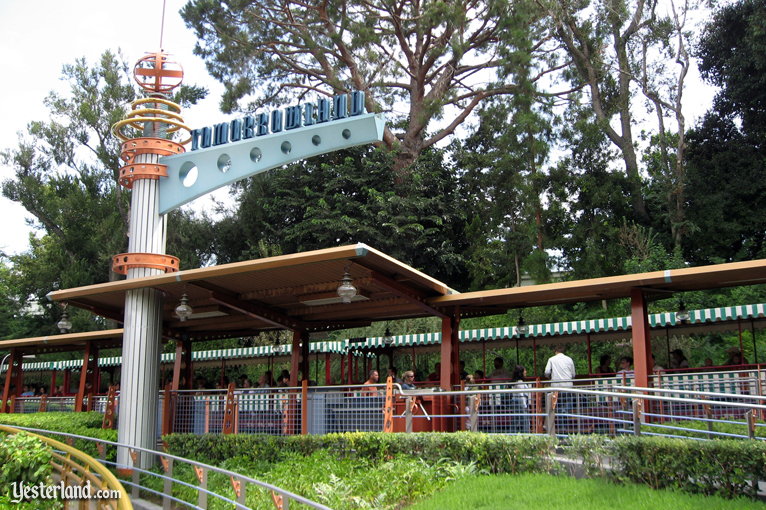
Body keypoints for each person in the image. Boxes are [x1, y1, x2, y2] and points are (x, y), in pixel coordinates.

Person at [544, 345, 576, 432]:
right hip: (568, 387)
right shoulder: (569, 359)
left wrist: (550, 377)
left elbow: (546, 372)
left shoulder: (551, 359)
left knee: (557, 408)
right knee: (566, 409)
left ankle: (561, 429)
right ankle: (565, 429)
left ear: (555, 352)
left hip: (556, 388)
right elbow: (573, 374)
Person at [510, 365, 530, 433]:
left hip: (515, 402)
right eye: (524, 371)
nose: (526, 372)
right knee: (525, 421)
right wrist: (524, 406)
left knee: (515, 420)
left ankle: (513, 433)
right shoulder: (520, 383)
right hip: (520, 403)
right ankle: (526, 434)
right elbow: (521, 395)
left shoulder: (516, 383)